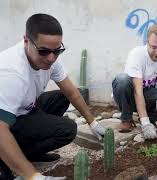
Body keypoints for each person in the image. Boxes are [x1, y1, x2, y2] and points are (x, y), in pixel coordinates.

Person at [0, 13, 106, 180]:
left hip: (23, 110)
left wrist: (93, 122)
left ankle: (31, 153)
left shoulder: (50, 57)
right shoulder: (12, 73)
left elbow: (71, 92)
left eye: (57, 51)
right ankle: (7, 161)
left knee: (62, 97)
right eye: (44, 51)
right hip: (6, 123)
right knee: (66, 129)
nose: (51, 58)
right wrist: (34, 176)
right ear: (26, 41)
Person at [112, 24, 157, 140]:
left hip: (149, 97)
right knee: (122, 79)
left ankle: (151, 119)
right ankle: (127, 119)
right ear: (147, 42)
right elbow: (137, 92)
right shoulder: (137, 54)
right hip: (131, 97)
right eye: (153, 47)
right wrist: (144, 124)